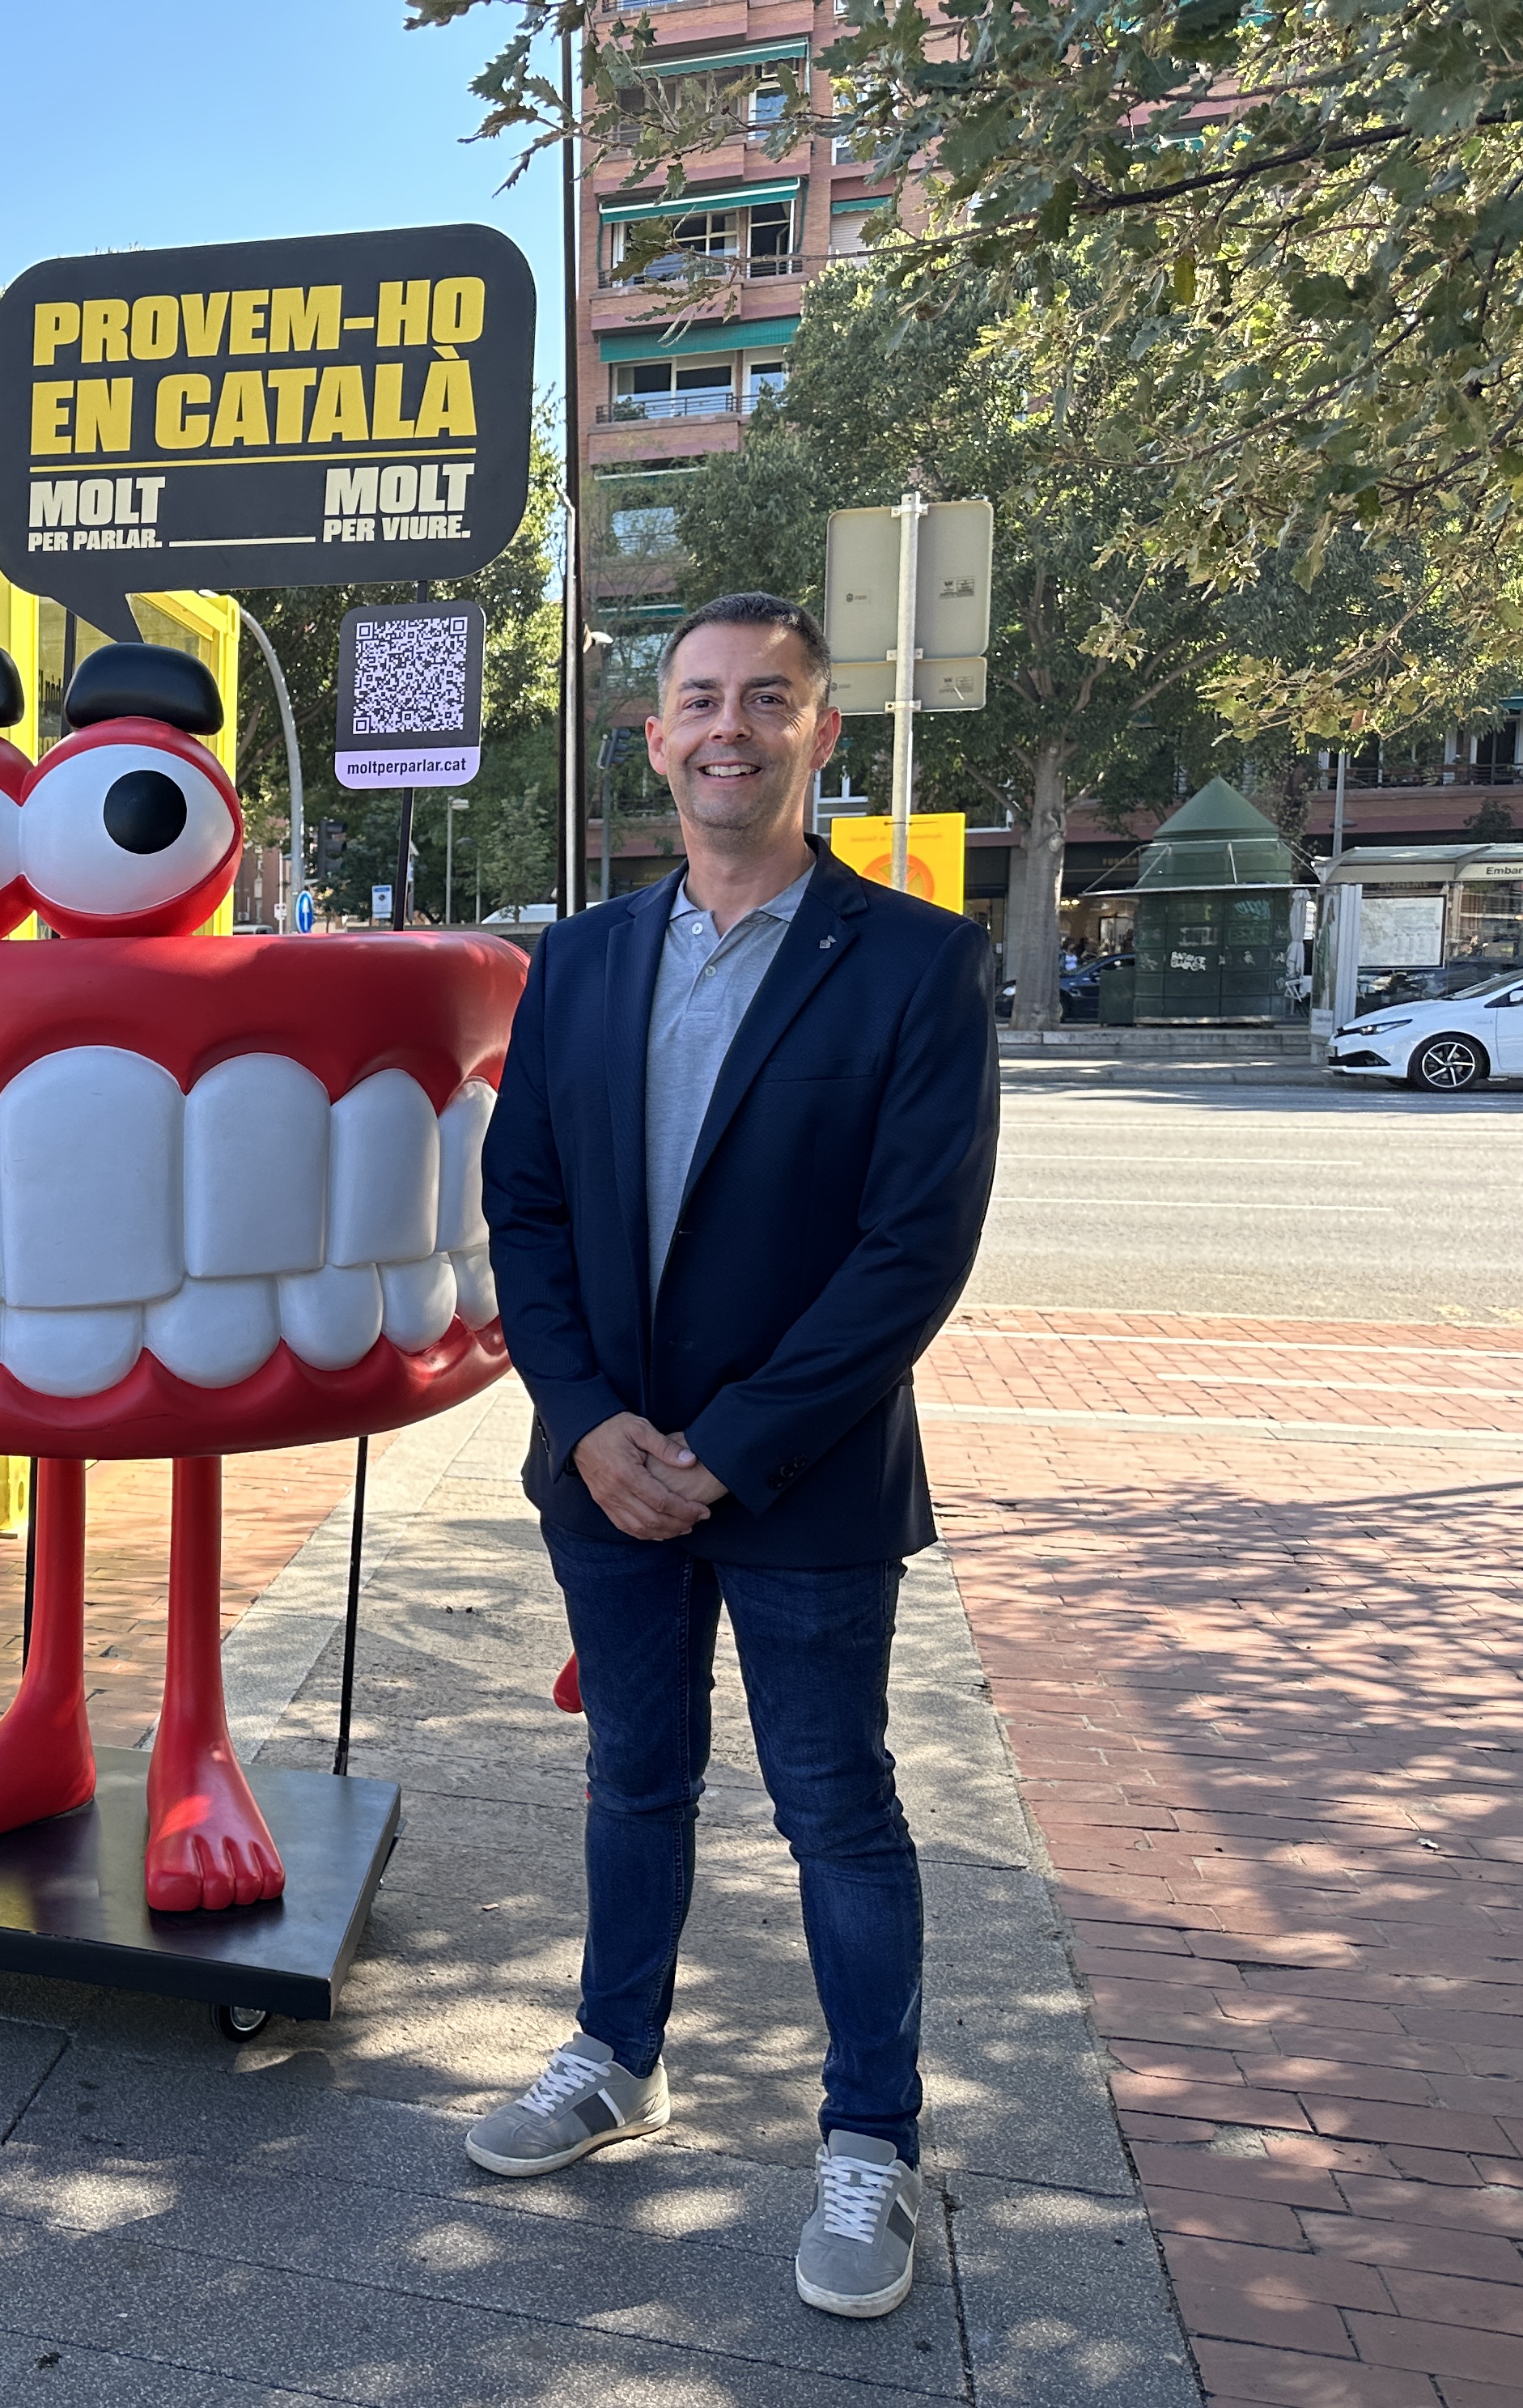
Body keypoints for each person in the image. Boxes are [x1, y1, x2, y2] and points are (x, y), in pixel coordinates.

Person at [472, 592, 999, 2321]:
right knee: (634, 1776)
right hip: (606, 1469)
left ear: (820, 733)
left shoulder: (915, 964)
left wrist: (731, 1451)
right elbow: (526, 1212)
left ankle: (872, 2145)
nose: (730, 728)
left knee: (835, 1807)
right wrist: (594, 1425)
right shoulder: (582, 959)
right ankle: (617, 2056)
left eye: (768, 700)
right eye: (700, 699)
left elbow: (909, 1257)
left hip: (810, 1479)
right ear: (655, 734)